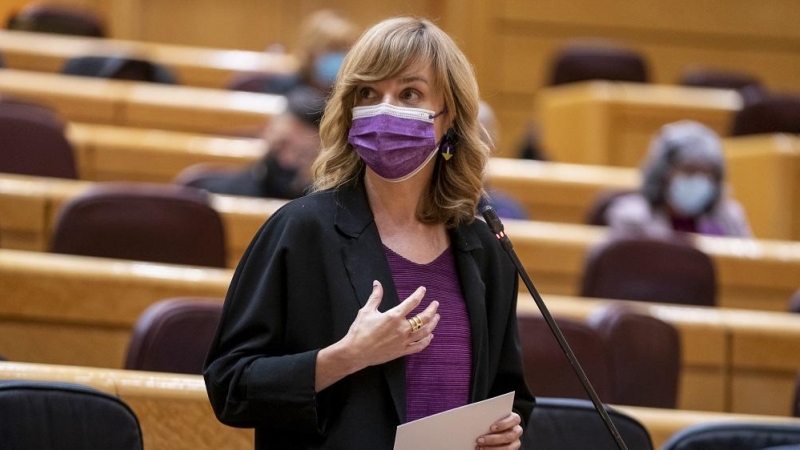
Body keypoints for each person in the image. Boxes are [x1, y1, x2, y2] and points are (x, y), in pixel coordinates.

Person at [204, 17, 534, 450]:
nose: (386, 109)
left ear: (448, 116)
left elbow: (507, 394)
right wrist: (346, 357)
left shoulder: (482, 246)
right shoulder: (300, 231)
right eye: (368, 94)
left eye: (409, 93)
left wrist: (504, 434)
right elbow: (230, 386)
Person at [605, 120, 751, 237]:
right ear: (663, 173)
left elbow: (746, 268)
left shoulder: (729, 219)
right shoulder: (632, 219)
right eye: (689, 171)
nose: (698, 180)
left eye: (707, 174)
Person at [184, 86, 325, 199]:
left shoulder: (322, 211)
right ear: (266, 131)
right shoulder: (216, 193)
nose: (289, 159)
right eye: (281, 145)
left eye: (304, 155)